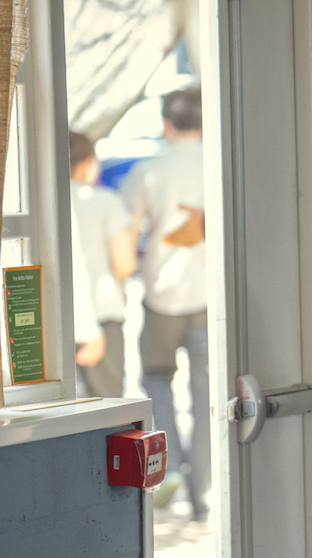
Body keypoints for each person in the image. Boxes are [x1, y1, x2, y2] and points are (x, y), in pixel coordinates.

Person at [121, 86, 209, 520]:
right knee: (207, 391)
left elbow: (129, 229)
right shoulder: (220, 161)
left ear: (166, 124)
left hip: (160, 294)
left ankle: (171, 465)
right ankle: (203, 483)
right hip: (210, 294)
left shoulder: (148, 170)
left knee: (156, 378)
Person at [68, 131, 136, 398]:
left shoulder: (40, 203)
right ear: (86, 163)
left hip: (51, 323)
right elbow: (125, 263)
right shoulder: (104, 200)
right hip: (102, 316)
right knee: (108, 409)